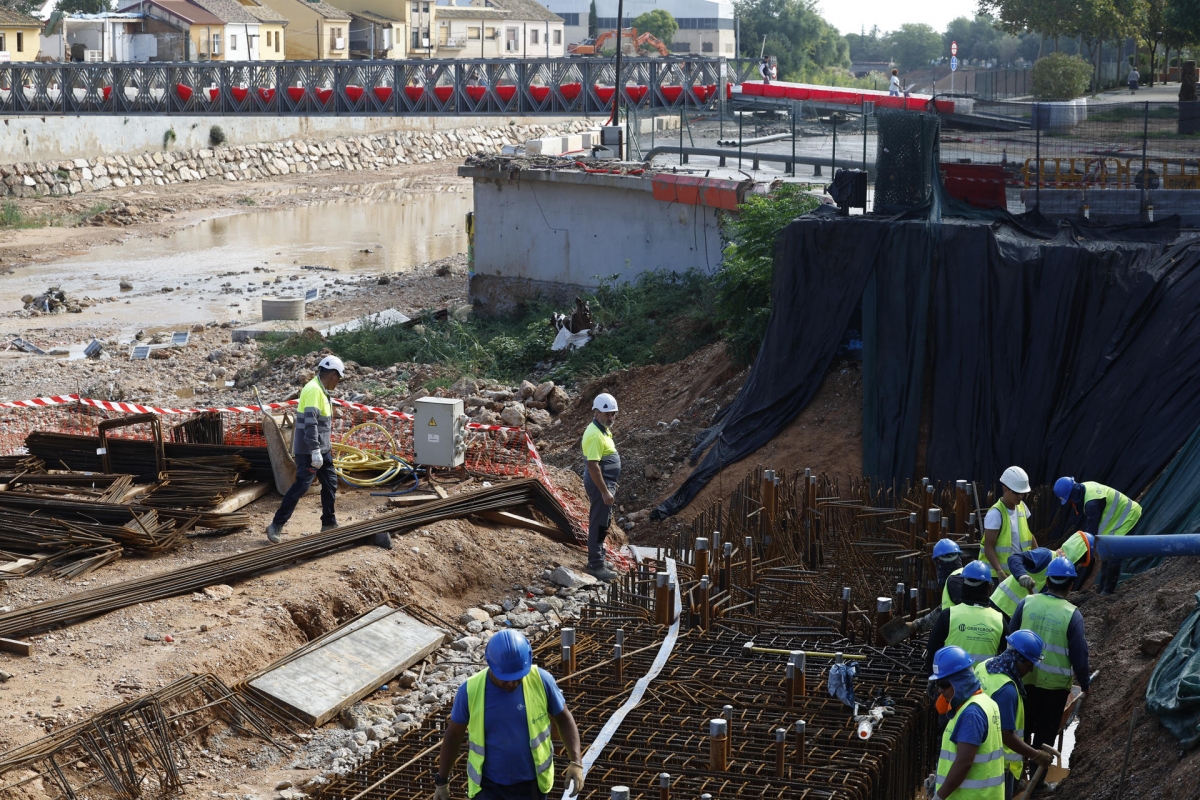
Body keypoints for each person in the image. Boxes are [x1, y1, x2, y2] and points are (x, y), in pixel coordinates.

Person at [434, 630, 585, 800]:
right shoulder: (470, 691)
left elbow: (563, 719)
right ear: (490, 665)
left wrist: (576, 762)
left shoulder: (541, 681)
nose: (512, 683)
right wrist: (442, 781)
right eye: (505, 678)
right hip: (488, 787)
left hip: (533, 786)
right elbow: (454, 734)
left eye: (518, 677)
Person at [266, 355, 392, 548]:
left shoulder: (320, 389)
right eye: (339, 377)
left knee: (330, 482)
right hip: (310, 450)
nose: (338, 381)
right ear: (333, 374)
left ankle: (329, 523)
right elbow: (310, 424)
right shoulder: (314, 391)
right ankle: (276, 525)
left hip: (322, 449)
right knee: (301, 486)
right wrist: (315, 450)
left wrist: (322, 449)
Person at [1010, 557, 1091, 751]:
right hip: (1055, 689)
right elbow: (1079, 654)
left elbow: (1010, 639)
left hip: (1023, 680)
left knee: (1020, 732)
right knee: (1045, 737)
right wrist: (1085, 684)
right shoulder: (1072, 614)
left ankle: (1018, 778)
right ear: (1071, 585)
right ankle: (1037, 780)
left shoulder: (1026, 603)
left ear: (1046, 581)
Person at [974, 631, 1055, 799]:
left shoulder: (985, 665)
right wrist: (1035, 755)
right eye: (1029, 663)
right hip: (998, 764)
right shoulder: (1007, 690)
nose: (1031, 668)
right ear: (1018, 660)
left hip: (976, 752)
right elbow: (1006, 734)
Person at [928, 645, 1006, 800]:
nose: (940, 691)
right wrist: (939, 779)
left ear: (960, 681)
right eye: (938, 684)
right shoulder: (984, 702)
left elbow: (964, 763)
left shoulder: (971, 713)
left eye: (944, 684)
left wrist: (939, 796)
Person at [1054, 477, 1142, 595]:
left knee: (1114, 552)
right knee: (1107, 550)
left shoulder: (1091, 504)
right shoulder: (1085, 488)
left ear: (1073, 496)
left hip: (1127, 515)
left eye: (1070, 500)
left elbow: (1091, 535)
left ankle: (1108, 591)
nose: (1071, 504)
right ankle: (1102, 588)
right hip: (1116, 519)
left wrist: (1086, 554)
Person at [926, 561, 1008, 676]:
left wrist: (932, 679)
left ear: (963, 586)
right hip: (985, 687)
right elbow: (1008, 658)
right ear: (989, 588)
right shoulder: (999, 619)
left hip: (953, 686)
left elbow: (932, 653)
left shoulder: (948, 615)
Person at [991, 532, 1095, 620]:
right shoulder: (1046, 556)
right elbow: (1015, 558)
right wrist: (1021, 576)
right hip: (1001, 605)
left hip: (1017, 614)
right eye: (1081, 560)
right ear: (1077, 553)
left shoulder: (1061, 574)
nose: (1079, 565)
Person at [892, 538, 965, 642]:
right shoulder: (963, 575)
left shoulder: (954, 581)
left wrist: (916, 625)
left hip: (961, 638)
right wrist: (915, 625)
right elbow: (943, 611)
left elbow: (958, 612)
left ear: (939, 562)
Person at [582, 393, 621, 581]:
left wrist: (612, 482)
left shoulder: (603, 429)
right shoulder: (595, 434)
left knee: (603, 522)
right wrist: (605, 490)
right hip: (600, 485)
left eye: (613, 414)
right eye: (608, 415)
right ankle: (595, 565)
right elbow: (593, 465)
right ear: (596, 413)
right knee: (598, 523)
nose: (611, 418)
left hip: (606, 482)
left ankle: (599, 558)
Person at [980, 467, 1037, 580]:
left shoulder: (1022, 507)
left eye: (1022, 493)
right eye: (1016, 493)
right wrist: (999, 571)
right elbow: (988, 547)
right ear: (1005, 489)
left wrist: (1038, 557)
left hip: (1020, 572)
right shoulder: (995, 514)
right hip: (1000, 576)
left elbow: (1029, 536)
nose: (1020, 496)